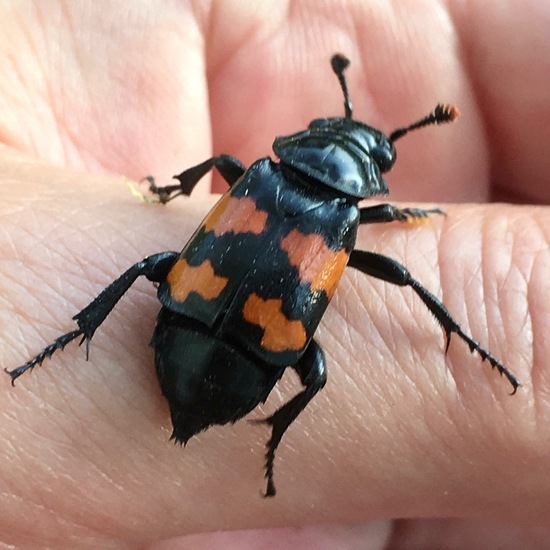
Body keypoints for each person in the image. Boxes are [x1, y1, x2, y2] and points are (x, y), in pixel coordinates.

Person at [1, 2, 548, 548]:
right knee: (331, 360)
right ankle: (276, 436)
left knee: (152, 264)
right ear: (368, 177)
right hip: (245, 360)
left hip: (195, 326)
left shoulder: (260, 177)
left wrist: (169, 193)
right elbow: (398, 270)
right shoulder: (343, 217)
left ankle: (81, 332)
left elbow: (216, 167)